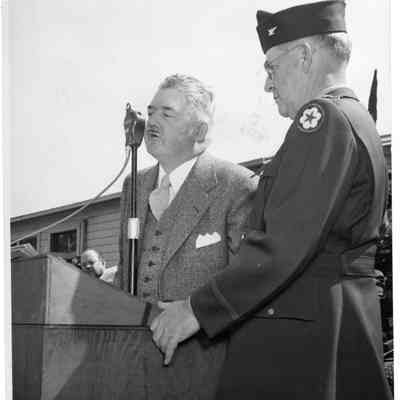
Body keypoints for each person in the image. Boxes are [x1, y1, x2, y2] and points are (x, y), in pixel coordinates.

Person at [150, 2, 392, 399]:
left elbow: (282, 244)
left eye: (271, 67)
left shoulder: (323, 120)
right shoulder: (354, 117)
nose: (267, 84)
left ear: (304, 56)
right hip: (333, 320)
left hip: (301, 337)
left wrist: (196, 309)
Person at [118, 74, 256, 399]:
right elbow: (125, 272)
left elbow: (248, 282)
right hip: (129, 364)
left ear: (200, 131)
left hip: (205, 370)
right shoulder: (134, 185)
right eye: (151, 112)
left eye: (167, 113)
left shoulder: (237, 185)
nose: (152, 122)